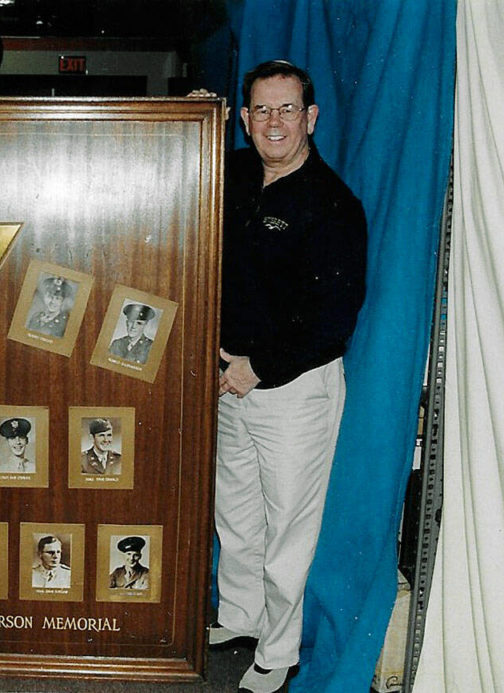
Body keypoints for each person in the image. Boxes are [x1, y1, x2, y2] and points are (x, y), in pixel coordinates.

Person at [201, 60, 367, 693]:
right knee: (236, 514)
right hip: (230, 382)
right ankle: (241, 617)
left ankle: (279, 652)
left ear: (311, 117)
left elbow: (333, 318)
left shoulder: (332, 206)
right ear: (245, 120)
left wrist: (258, 368)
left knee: (288, 526)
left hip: (294, 390)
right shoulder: (239, 174)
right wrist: (200, 115)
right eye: (260, 111)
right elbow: (194, 154)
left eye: (287, 110)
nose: (274, 123)